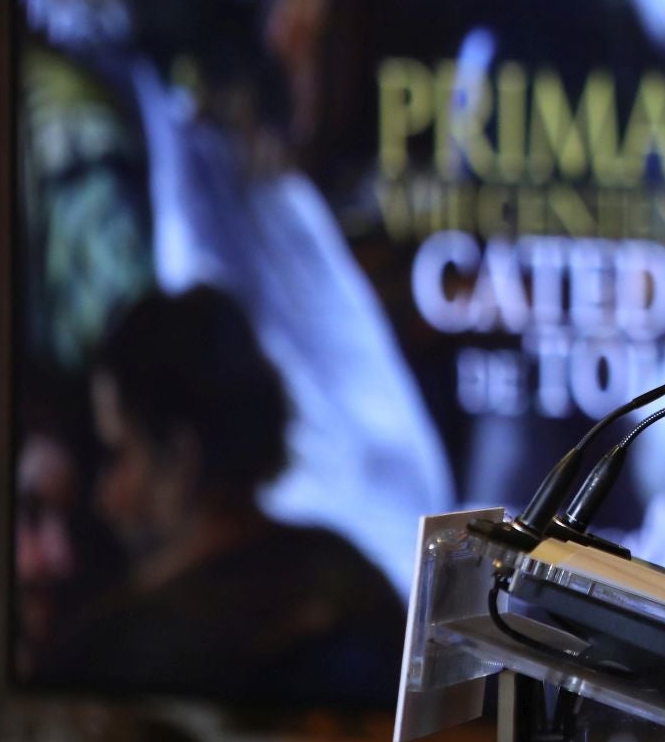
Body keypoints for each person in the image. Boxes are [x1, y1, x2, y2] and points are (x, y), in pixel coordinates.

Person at [45, 285, 405, 708]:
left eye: (116, 455)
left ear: (179, 458)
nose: (103, 497)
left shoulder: (116, 653)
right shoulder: (351, 576)